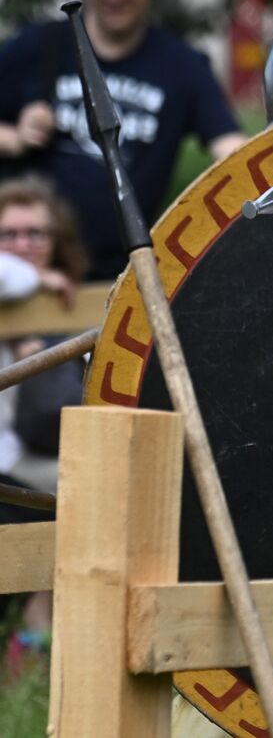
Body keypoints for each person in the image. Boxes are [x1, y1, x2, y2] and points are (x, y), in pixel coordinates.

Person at [0, 0, 246, 280]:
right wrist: (16, 138)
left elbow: (231, 150)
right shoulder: (38, 46)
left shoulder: (183, 65)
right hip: (29, 276)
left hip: (127, 276)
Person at [0, 178, 89, 672]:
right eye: (8, 235)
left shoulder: (86, 304)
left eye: (36, 233)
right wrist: (34, 282)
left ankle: (41, 659)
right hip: (13, 475)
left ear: (59, 241)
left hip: (62, 462)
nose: (22, 245)